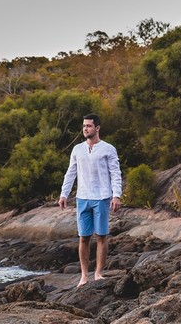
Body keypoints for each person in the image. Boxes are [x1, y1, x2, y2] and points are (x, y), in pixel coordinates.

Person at [58, 114, 122, 285]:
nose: (85, 129)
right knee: (84, 237)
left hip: (101, 197)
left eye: (89, 126)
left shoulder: (108, 149)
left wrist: (116, 195)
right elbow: (71, 172)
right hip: (82, 198)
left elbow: (115, 173)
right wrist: (64, 194)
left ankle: (98, 273)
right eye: (84, 126)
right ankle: (84, 275)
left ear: (97, 128)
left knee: (101, 236)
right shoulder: (77, 149)